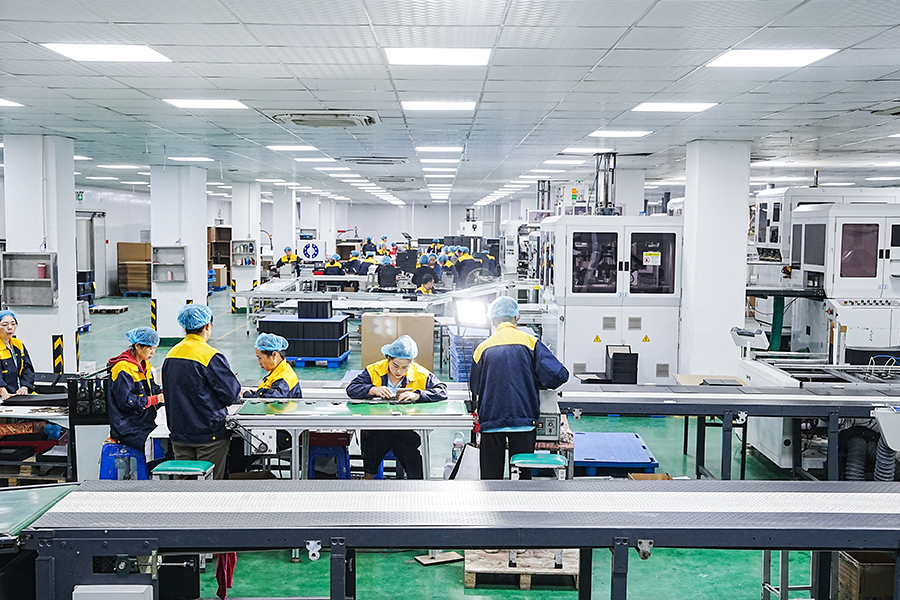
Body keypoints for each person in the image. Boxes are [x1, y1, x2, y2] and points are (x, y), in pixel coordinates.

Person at [469, 297, 568, 480]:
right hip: (523, 419)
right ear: (516, 318)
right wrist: (534, 379)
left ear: (492, 321)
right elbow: (559, 375)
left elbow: (475, 387)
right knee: (522, 477)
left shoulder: (482, 348)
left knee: (490, 479)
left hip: (491, 420)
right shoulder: (530, 342)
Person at [346, 335, 447, 479]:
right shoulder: (375, 370)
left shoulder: (420, 374)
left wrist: (417, 395)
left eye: (405, 367)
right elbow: (352, 389)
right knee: (373, 445)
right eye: (395, 365)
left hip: (405, 428)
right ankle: (368, 479)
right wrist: (373, 390)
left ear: (412, 362)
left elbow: (442, 391)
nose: (399, 371)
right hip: (378, 427)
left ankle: (418, 484)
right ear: (388, 358)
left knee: (409, 452)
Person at [162, 304, 241, 480]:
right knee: (209, 485)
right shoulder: (209, 355)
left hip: (179, 433)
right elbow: (231, 395)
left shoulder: (171, 354)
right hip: (209, 434)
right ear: (207, 325)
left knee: (183, 484)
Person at [107, 327, 164, 453]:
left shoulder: (144, 366)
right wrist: (155, 399)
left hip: (144, 423)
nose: (153, 353)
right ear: (137, 346)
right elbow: (126, 403)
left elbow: (153, 389)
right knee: (158, 450)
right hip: (128, 428)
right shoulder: (123, 369)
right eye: (150, 348)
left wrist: (166, 394)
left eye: (155, 349)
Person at [242, 333, 302, 400]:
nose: (259, 362)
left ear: (274, 355)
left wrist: (246, 394)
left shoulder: (283, 379)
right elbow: (266, 392)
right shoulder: (276, 371)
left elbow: (268, 401)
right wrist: (252, 393)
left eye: (260, 358)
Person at [0, 310, 34, 400]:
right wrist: (3, 391)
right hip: (5, 395)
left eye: (13, 324)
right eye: (4, 325)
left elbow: (27, 368)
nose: (10, 328)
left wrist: (25, 386)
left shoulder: (18, 344)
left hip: (19, 394)